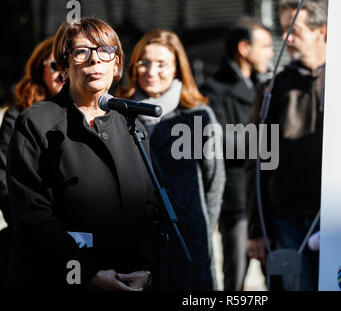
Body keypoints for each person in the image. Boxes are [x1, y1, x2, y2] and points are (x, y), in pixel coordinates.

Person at [6, 17, 157, 291]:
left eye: (105, 51)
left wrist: (145, 270)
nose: (94, 60)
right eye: (81, 52)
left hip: (129, 280)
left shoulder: (133, 126)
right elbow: (33, 216)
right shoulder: (36, 122)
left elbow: (151, 209)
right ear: (63, 68)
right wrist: (88, 274)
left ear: (117, 65)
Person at [117, 29, 225, 290]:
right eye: (144, 62)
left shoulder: (198, 117)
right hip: (133, 244)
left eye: (161, 64)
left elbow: (214, 181)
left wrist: (198, 227)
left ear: (177, 68)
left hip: (188, 241)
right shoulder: (118, 114)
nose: (151, 71)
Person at [246, 0, 328, 291]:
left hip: (339, 218)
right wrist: (257, 228)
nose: (287, 38)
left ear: (322, 31)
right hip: (288, 221)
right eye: (283, 30)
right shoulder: (273, 88)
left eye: (295, 30)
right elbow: (257, 159)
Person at [201, 17, 273, 291]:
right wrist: (269, 143)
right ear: (244, 48)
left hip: (268, 197)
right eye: (264, 45)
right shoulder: (214, 89)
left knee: (278, 277)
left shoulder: (267, 86)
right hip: (237, 201)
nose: (270, 52)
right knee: (236, 280)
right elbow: (219, 141)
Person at [0, 36, 63, 291]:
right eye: (54, 66)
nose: (62, 73)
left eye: (66, 64)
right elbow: (4, 180)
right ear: (41, 70)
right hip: (33, 238)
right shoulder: (19, 115)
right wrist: (32, 227)